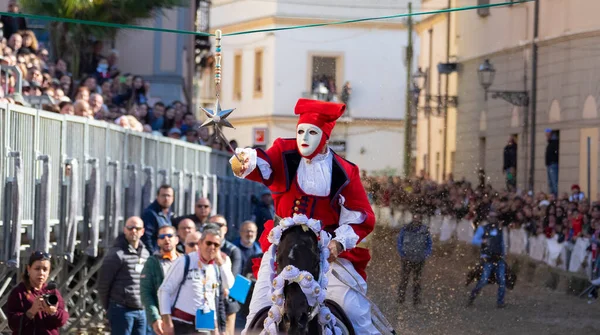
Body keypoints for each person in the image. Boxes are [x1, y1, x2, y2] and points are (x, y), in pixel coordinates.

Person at [230, 98, 378, 334]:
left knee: (355, 310)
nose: (304, 138)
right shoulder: (283, 151)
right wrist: (247, 159)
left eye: (312, 132)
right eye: (300, 131)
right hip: (283, 249)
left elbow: (360, 216)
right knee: (257, 310)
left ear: (325, 137)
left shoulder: (345, 171)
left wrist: (338, 243)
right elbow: (263, 163)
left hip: (326, 252)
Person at [158, 227, 234, 335]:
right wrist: (167, 322)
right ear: (200, 243)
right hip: (182, 324)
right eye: (208, 243)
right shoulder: (185, 261)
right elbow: (164, 291)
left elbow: (227, 287)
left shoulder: (215, 267)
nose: (212, 247)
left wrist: (215, 328)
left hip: (204, 325)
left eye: (216, 245)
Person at [98, 216, 150, 335]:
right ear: (125, 230)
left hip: (141, 310)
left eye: (137, 228)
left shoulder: (146, 253)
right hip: (121, 309)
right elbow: (103, 284)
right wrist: (109, 308)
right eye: (130, 228)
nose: (133, 231)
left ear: (142, 231)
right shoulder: (116, 254)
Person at [3, 251, 69, 335]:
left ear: (49, 272)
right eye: (37, 269)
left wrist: (53, 312)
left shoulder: (52, 292)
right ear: (29, 269)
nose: (41, 273)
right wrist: (31, 312)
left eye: (45, 269)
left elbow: (63, 320)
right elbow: (13, 324)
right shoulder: (19, 292)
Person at [140, 225, 181, 335]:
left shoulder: (184, 261)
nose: (166, 239)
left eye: (169, 236)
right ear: (158, 242)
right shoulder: (152, 262)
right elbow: (146, 293)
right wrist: (155, 318)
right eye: (162, 236)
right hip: (163, 320)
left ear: (176, 240)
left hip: (183, 319)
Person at [468, 207, 507, 308]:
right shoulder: (483, 228)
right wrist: (483, 241)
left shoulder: (500, 229)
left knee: (502, 281)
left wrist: (503, 255)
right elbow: (474, 240)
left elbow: (502, 243)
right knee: (483, 280)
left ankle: (500, 302)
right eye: (491, 216)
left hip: (499, 258)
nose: (493, 218)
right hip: (488, 259)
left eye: (495, 217)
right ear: (488, 217)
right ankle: (472, 297)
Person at [396, 204, 432, 306]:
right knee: (404, 279)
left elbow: (429, 244)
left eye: (418, 218)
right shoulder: (406, 228)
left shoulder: (425, 231)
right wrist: (401, 253)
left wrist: (425, 254)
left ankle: (416, 300)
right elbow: (400, 241)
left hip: (419, 259)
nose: (416, 219)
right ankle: (400, 299)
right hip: (406, 258)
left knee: (417, 281)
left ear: (421, 219)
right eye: (414, 217)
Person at [545, 129, 559, 196]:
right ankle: (552, 195)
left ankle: (554, 196)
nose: (546, 136)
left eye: (547, 134)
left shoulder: (554, 142)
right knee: (551, 183)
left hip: (553, 164)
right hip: (549, 164)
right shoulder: (550, 143)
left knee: (554, 182)